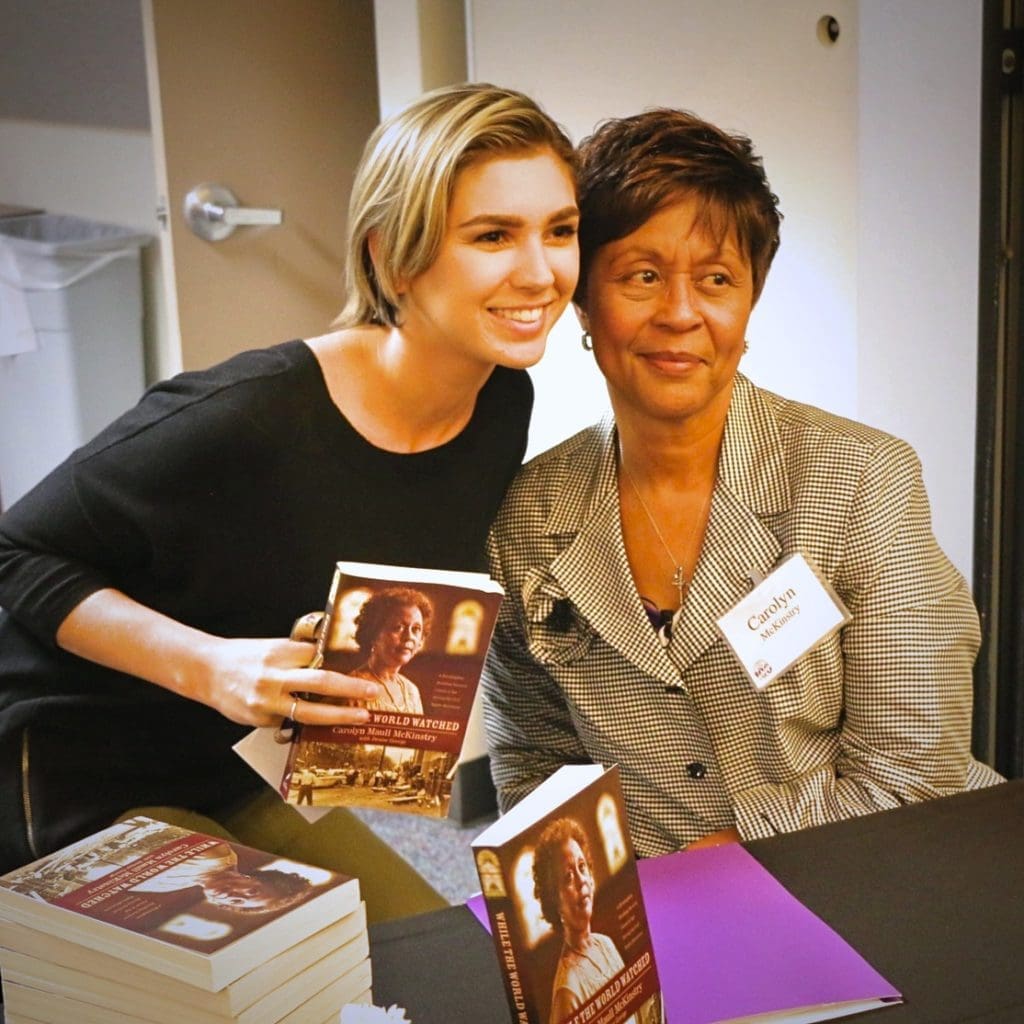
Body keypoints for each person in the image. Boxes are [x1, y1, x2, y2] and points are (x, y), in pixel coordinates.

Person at [0, 82, 580, 921]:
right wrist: (211, 665)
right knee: (274, 987)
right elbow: (17, 554)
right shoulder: (241, 417)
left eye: (559, 230)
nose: (541, 271)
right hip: (77, 766)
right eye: (493, 235)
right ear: (392, 258)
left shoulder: (500, 403)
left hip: (237, 762)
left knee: (421, 959)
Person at [482, 107, 1003, 860]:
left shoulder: (861, 481)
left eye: (717, 279)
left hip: (876, 869)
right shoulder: (528, 515)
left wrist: (717, 867)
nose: (682, 314)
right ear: (583, 301)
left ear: (749, 300)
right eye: (643, 276)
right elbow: (536, 765)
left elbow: (911, 773)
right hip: (655, 911)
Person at [532, 817, 636, 1024]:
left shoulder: (605, 944)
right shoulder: (567, 991)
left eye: (582, 867)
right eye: (568, 877)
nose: (581, 881)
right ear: (554, 900)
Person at [348, 587, 434, 714]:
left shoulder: (412, 692)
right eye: (398, 627)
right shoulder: (350, 688)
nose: (409, 636)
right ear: (373, 634)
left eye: (416, 629)